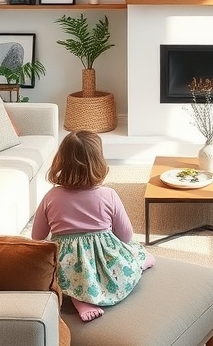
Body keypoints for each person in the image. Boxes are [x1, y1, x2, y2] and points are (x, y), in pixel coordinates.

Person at [32, 130, 155, 321]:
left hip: (67, 263)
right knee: (134, 253)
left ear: (61, 161)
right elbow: (126, 236)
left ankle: (79, 299)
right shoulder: (108, 195)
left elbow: (37, 236)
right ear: (99, 163)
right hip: (103, 258)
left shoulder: (51, 197)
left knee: (71, 275)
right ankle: (138, 264)